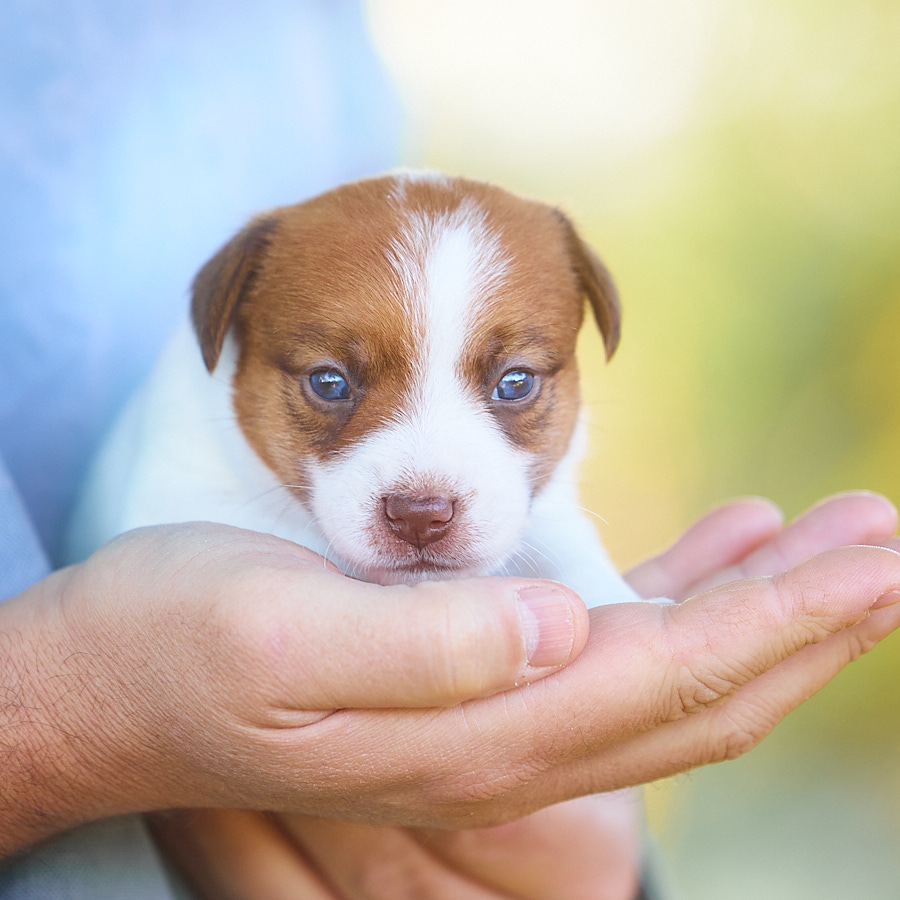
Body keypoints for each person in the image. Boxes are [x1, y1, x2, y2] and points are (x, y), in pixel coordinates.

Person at [4, 4, 900, 898]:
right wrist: (71, 723)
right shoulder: (191, 428)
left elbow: (566, 564)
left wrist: (612, 650)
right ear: (224, 342)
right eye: (331, 385)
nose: (425, 490)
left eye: (513, 386)